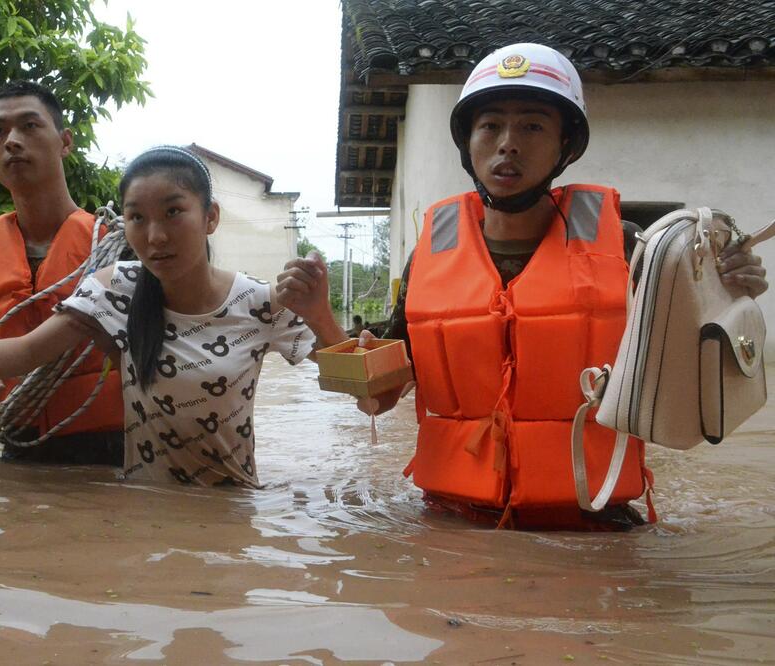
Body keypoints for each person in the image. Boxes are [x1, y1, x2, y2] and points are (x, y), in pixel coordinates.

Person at [283, 43, 767, 530]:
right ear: (468, 143)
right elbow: (379, 399)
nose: (508, 143)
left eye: (532, 126)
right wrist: (320, 317)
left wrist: (727, 296)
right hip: (450, 520)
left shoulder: (627, 250)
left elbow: (692, 381)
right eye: (490, 125)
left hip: (593, 519)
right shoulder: (430, 257)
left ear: (565, 147)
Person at [0, 146, 347, 486]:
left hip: (231, 507)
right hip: (140, 509)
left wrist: (320, 314)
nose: (155, 236)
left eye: (174, 212)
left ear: (210, 217)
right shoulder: (115, 289)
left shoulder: (259, 302)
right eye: (137, 217)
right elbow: (29, 351)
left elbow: (365, 397)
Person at [0, 80, 127, 464]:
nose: (11, 140)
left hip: (117, 460)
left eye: (29, 125)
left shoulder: (120, 250)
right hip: (16, 456)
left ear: (65, 142)